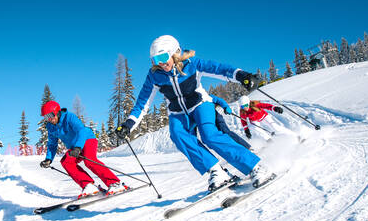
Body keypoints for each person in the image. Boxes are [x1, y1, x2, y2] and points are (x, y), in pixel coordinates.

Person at [115, 35, 272, 192]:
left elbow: (219, 69)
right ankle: (216, 171)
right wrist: (129, 124)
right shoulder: (155, 76)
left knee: (209, 135)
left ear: (174, 53)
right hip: (178, 112)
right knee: (177, 134)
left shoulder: (192, 64)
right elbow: (143, 102)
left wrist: (242, 75)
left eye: (163, 57)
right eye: (156, 60)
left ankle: (255, 167)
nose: (161, 64)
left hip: (200, 104)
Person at [39, 100, 127, 198]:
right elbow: (52, 144)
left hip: (87, 139)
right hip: (74, 146)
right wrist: (48, 159)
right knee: (66, 162)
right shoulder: (51, 127)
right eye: (46, 117)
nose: (49, 119)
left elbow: (81, 131)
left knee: (89, 160)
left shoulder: (69, 117)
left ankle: (115, 183)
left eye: (50, 115)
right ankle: (88, 185)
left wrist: (78, 147)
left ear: (57, 112)